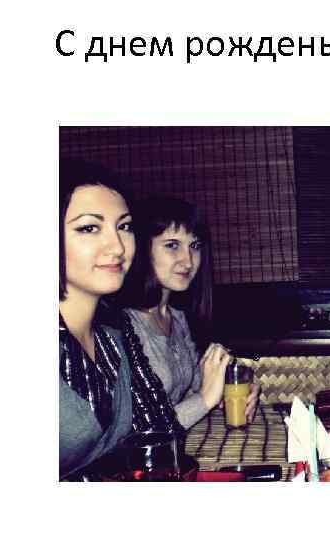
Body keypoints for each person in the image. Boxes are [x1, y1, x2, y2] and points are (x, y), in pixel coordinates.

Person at [59, 160, 185, 480]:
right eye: (89, 228)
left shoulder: (115, 331)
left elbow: (161, 433)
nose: (117, 246)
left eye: (124, 227)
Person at [120, 197, 259, 430]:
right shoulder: (122, 326)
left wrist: (233, 388)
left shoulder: (178, 318)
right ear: (142, 249)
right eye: (172, 245)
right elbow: (137, 430)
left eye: (194, 246)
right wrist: (206, 398)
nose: (188, 261)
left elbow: (197, 387)